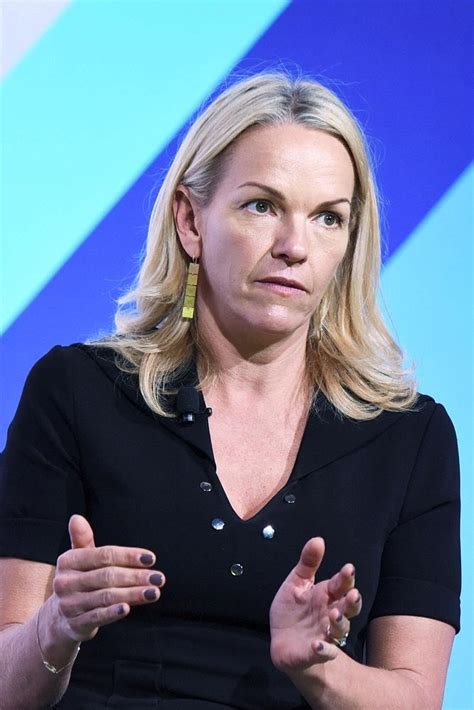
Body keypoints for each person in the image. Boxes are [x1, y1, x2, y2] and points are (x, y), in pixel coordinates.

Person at [0, 71, 460, 709]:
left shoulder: (409, 437)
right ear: (190, 220)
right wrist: (56, 626)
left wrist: (318, 667)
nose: (294, 247)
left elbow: (415, 697)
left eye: (327, 217)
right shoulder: (77, 392)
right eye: (262, 206)